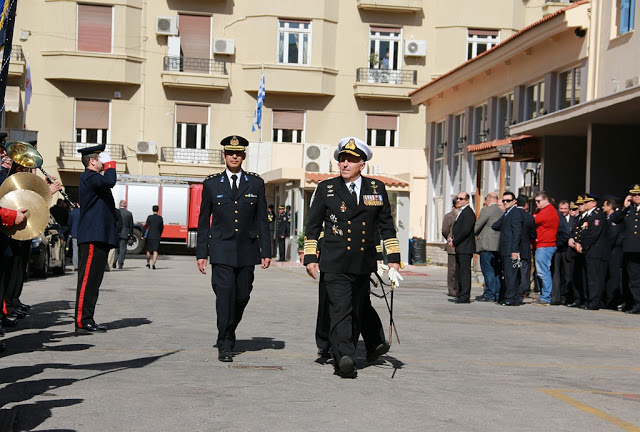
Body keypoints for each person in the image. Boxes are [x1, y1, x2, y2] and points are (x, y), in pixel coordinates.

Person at [303, 137, 401, 379]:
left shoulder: (376, 189)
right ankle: (344, 357)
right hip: (334, 260)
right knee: (340, 309)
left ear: (362, 165)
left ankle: (371, 343)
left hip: (362, 262)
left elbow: (386, 227)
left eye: (351, 160)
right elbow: (313, 225)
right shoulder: (326, 188)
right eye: (342, 159)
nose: (345, 164)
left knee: (358, 306)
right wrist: (309, 257)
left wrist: (393, 260)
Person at [196, 135, 271, 362]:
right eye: (230, 153)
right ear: (224, 155)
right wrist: (202, 254)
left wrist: (266, 251)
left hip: (247, 250)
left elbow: (262, 221)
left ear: (244, 156)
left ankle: (229, 328)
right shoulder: (211, 184)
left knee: (242, 296)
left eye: (238, 153)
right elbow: (203, 220)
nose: (234, 156)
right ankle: (225, 341)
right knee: (224, 296)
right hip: (221, 249)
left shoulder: (255, 183)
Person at [75, 143, 118, 334]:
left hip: (99, 236)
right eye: (100, 158)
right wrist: (111, 164)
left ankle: (88, 318)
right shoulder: (90, 176)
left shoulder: (94, 178)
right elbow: (110, 181)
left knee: (94, 281)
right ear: (92, 161)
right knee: (87, 280)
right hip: (92, 236)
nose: (103, 161)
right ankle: (82, 320)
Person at [570, 193, 608, 310]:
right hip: (587, 251)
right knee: (586, 277)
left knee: (593, 278)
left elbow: (593, 234)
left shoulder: (597, 216)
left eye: (586, 202)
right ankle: (587, 299)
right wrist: (577, 242)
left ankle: (594, 301)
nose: (584, 204)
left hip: (594, 251)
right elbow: (581, 232)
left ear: (593, 203)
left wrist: (582, 245)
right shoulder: (586, 217)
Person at [610, 184, 640, 314]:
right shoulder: (628, 210)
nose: (636, 197)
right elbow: (614, 219)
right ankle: (636, 303)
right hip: (631, 249)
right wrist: (624, 206)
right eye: (634, 195)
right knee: (633, 279)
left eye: (638, 194)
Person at [474, 192, 503, 302]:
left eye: (486, 199)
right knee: (496, 270)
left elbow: (478, 225)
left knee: (488, 270)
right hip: (497, 245)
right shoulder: (501, 211)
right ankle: (497, 293)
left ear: (489, 199)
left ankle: (489, 294)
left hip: (486, 244)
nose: (485, 201)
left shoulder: (487, 210)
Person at [448, 192, 476, 304]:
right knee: (459, 271)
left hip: (466, 247)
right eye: (457, 198)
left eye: (461, 198)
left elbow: (465, 230)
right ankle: (460, 293)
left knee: (464, 272)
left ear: (467, 200)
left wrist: (455, 241)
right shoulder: (461, 212)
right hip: (460, 246)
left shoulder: (469, 213)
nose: (458, 200)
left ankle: (465, 295)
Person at [532, 191, 559, 305]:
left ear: (546, 200)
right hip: (542, 244)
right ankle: (544, 295)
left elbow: (532, 220)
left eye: (539, 201)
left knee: (543, 272)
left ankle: (546, 296)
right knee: (542, 272)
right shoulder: (542, 211)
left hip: (545, 245)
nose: (536, 203)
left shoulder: (547, 211)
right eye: (535, 201)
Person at [602, 196, 624, 309]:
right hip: (609, 251)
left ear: (610, 206)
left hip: (614, 251)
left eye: (604, 205)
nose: (602, 207)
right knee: (608, 276)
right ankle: (608, 299)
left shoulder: (615, 219)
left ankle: (613, 301)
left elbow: (612, 236)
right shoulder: (607, 218)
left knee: (614, 276)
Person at [441, 199, 458, 297]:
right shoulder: (449, 216)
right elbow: (445, 230)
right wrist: (449, 238)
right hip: (452, 246)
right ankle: (452, 289)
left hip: (462, 246)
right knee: (452, 269)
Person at [144, 205, 164, 269]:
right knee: (155, 251)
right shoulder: (160, 218)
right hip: (157, 236)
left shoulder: (149, 217)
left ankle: (148, 263)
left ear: (152, 210)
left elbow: (146, 226)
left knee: (148, 250)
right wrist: (160, 233)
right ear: (158, 210)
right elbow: (161, 227)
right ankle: (154, 264)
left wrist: (142, 234)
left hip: (150, 236)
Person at [115, 200, 133, 269]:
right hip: (124, 233)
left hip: (116, 232)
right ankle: (120, 263)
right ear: (125, 206)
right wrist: (131, 235)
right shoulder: (129, 214)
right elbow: (131, 226)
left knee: (116, 248)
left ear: (120, 205)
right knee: (123, 249)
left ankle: (114, 260)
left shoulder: (116, 212)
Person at [67, 204, 81, 271]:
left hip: (74, 233)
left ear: (77, 204)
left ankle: (76, 266)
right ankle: (82, 264)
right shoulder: (86, 211)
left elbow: (69, 223)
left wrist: (69, 232)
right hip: (84, 234)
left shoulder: (73, 212)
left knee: (75, 250)